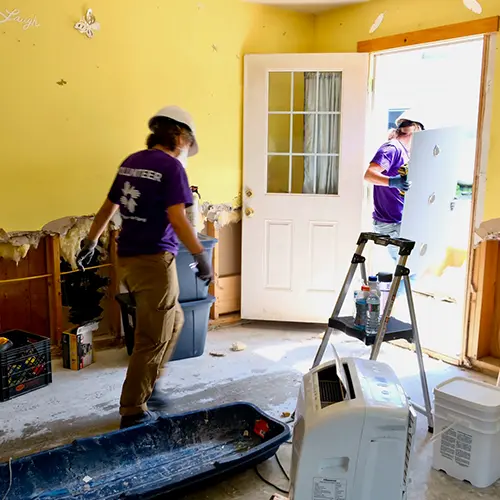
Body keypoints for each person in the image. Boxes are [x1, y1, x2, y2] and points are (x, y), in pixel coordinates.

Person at [77, 106, 213, 429]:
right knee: (151, 338)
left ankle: (151, 385)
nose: (186, 149)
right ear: (179, 137)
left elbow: (108, 207)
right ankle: (133, 409)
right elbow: (179, 219)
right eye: (187, 143)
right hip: (154, 262)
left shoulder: (131, 162)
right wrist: (201, 256)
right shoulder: (172, 168)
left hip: (128, 261)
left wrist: (91, 242)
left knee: (174, 319)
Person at [364, 112, 425, 261]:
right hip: (390, 223)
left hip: (399, 220)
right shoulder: (392, 149)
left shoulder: (405, 152)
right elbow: (369, 174)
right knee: (407, 268)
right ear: (415, 129)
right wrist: (392, 182)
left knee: (410, 268)